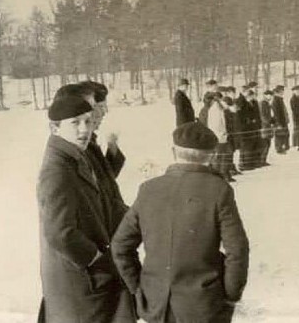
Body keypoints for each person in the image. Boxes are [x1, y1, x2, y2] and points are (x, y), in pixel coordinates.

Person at [111, 122, 249, 323]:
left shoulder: (149, 189)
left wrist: (139, 287)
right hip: (204, 304)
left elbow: (120, 246)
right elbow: (237, 250)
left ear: (174, 151)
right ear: (212, 155)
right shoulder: (218, 190)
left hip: (157, 304)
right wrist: (231, 295)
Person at [37, 96, 135, 323]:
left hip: (88, 279)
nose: (84, 129)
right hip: (80, 281)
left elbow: (100, 205)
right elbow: (60, 233)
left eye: (88, 121)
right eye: (75, 123)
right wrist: (96, 258)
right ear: (55, 127)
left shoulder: (74, 156)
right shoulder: (57, 169)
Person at [207, 88, 234, 183]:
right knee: (219, 157)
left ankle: (223, 174)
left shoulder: (219, 108)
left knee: (224, 156)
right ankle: (218, 176)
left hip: (222, 136)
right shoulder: (215, 109)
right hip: (218, 137)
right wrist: (222, 133)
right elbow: (216, 124)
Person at [271, 85, 290, 154]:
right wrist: (278, 123)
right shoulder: (275, 101)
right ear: (276, 92)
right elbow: (276, 113)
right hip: (279, 122)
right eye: (280, 91)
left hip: (283, 121)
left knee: (284, 134)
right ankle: (279, 149)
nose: (282, 92)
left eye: (282, 91)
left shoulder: (280, 99)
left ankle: (282, 148)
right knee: (279, 135)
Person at [259, 90, 275, 166]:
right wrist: (269, 122)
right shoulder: (263, 103)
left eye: (271, 95)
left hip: (267, 126)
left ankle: (263, 160)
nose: (271, 97)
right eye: (269, 95)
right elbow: (263, 116)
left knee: (267, 143)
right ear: (265, 95)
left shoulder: (266, 103)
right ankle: (261, 160)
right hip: (264, 127)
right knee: (265, 143)